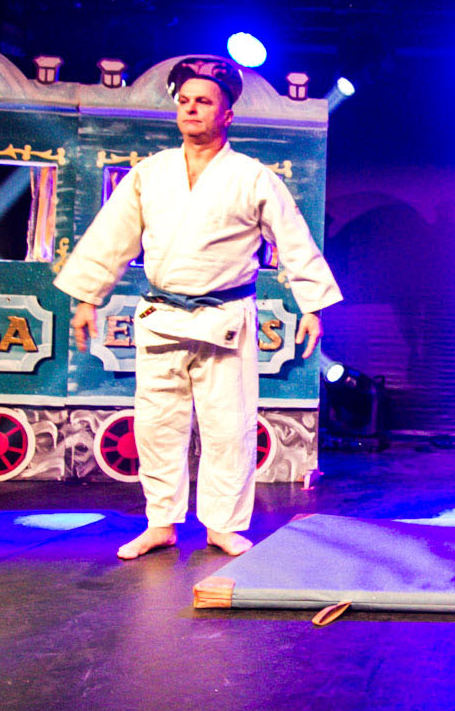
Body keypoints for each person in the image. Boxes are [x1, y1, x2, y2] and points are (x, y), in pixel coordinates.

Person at [55, 57, 342, 560]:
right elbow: (111, 238)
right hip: (162, 317)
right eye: (184, 101)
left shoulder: (252, 177)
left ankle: (223, 526)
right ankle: (160, 522)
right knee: (156, 426)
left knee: (228, 428)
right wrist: (86, 298)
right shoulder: (150, 174)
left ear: (226, 114)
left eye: (203, 101)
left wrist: (312, 307)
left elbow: (294, 241)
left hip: (224, 318)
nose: (191, 109)